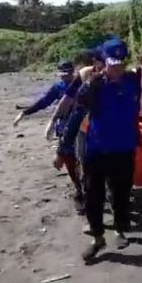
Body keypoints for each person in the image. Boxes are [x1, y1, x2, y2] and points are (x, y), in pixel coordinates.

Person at [58, 37, 140, 261]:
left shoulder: (134, 80)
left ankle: (121, 229)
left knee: (122, 192)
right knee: (93, 195)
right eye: (112, 63)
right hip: (96, 148)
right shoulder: (92, 85)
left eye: (121, 63)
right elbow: (76, 115)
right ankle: (97, 238)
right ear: (104, 62)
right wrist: (64, 145)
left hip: (124, 148)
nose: (117, 68)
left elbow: (134, 111)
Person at [13, 61, 83, 204]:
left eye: (68, 74)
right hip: (64, 127)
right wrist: (25, 113)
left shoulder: (82, 84)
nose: (64, 78)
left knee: (87, 158)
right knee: (69, 159)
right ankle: (78, 189)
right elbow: (44, 101)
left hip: (83, 126)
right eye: (62, 75)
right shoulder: (58, 87)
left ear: (73, 72)